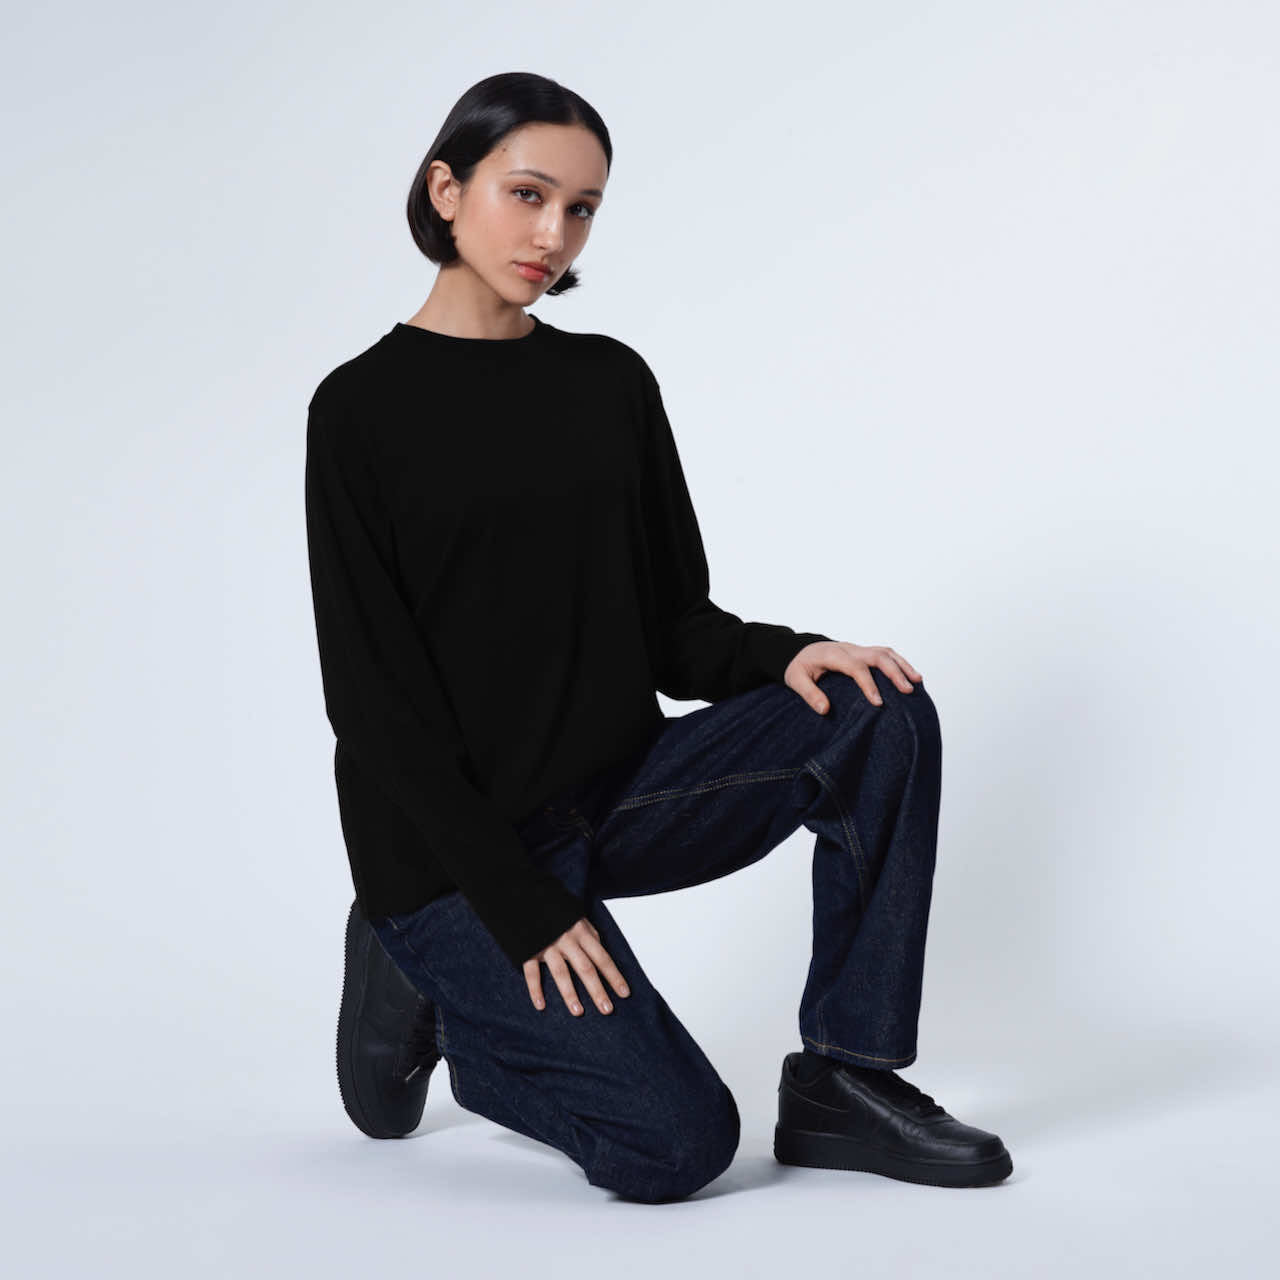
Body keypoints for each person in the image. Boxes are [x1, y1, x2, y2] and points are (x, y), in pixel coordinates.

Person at [305, 71, 1012, 1204]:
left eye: (580, 208)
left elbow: (669, 625)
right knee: (674, 1146)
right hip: (455, 860)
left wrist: (787, 653)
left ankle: (845, 1075)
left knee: (878, 711)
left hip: (616, 793)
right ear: (446, 188)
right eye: (526, 193)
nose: (552, 233)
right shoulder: (357, 412)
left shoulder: (607, 381)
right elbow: (375, 710)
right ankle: (437, 998)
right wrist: (519, 908)